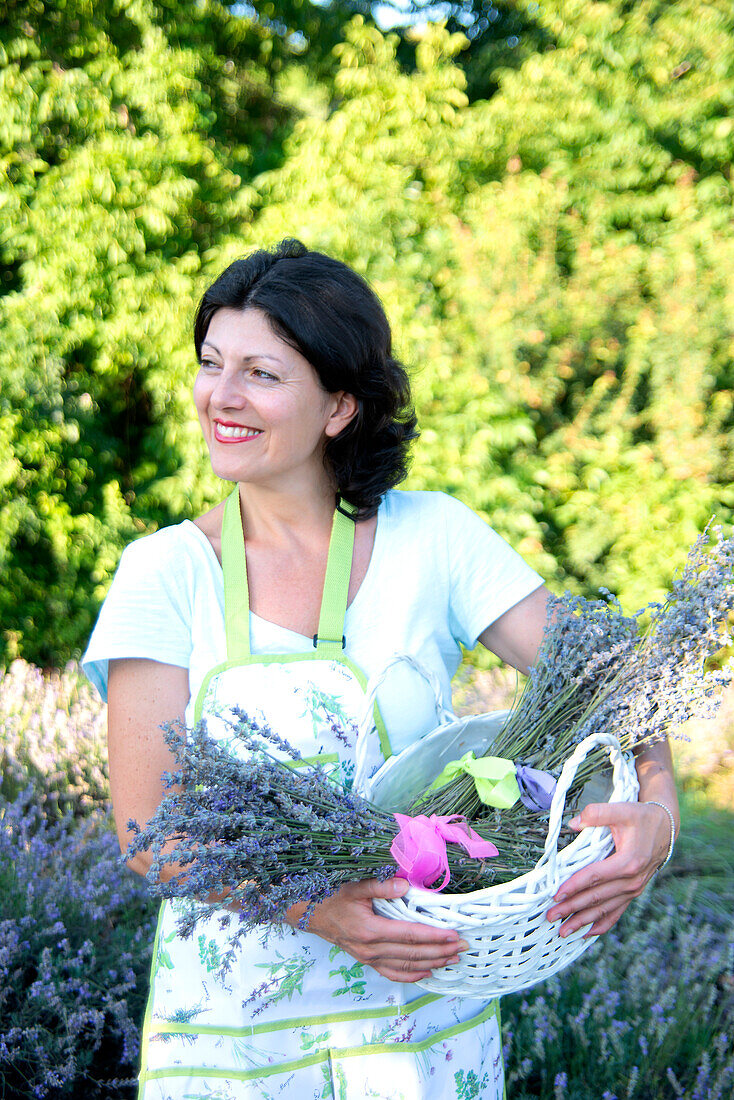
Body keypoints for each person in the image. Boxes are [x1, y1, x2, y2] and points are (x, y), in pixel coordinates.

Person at [82, 238, 679, 1100]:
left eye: (261, 373)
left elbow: (613, 681)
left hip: (422, 1043)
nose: (222, 396)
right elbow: (149, 830)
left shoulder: (436, 538)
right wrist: (317, 911)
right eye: (213, 364)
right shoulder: (164, 573)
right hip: (235, 1052)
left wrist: (656, 814)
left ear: (338, 408)